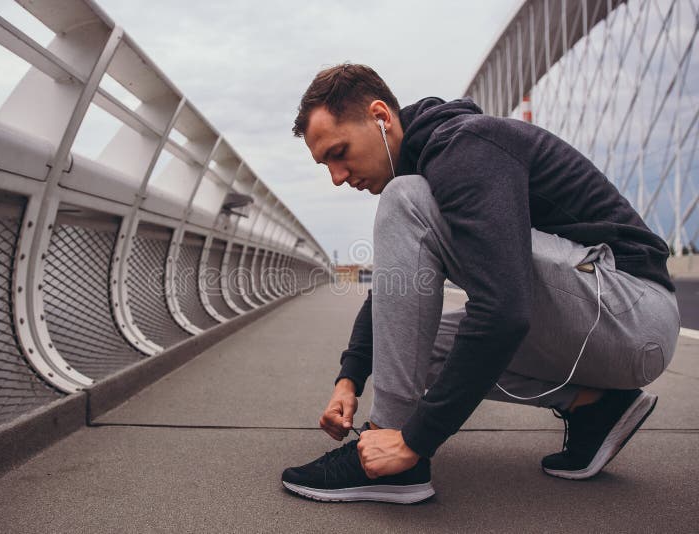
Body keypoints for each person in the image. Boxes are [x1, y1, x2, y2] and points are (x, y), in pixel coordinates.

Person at [280, 64, 680, 504]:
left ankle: (388, 452)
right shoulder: (433, 161)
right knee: (419, 347)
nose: (338, 177)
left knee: (404, 199)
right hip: (606, 328)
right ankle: (593, 406)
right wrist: (350, 379)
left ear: (380, 116)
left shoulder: (464, 146)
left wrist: (415, 439)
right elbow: (396, 292)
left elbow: (503, 311)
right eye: (326, 166)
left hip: (634, 313)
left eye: (340, 152)